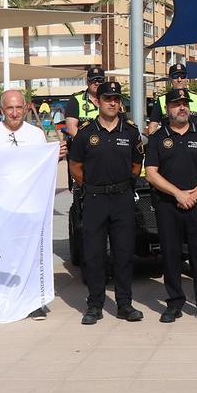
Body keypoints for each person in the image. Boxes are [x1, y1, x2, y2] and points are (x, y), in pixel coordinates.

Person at [0, 90, 67, 320]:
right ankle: (7, 298)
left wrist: (54, 156)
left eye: (19, 108)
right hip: (2, 207)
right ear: (1, 110)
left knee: (33, 255)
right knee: (5, 255)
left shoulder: (36, 135)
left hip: (31, 206)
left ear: (26, 108)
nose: (15, 113)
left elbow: (41, 166)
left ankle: (34, 301)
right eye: (10, 108)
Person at [67, 80, 144, 325]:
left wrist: (126, 183)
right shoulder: (86, 133)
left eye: (116, 99)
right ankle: (95, 305)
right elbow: (75, 166)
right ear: (97, 102)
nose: (112, 103)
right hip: (95, 198)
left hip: (122, 198)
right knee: (94, 254)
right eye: (107, 99)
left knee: (123, 253)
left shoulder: (130, 131)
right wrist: (89, 187)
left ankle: (124, 304)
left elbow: (136, 163)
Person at [145, 88, 197, 324]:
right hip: (168, 205)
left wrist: (195, 193)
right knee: (171, 255)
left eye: (185, 103)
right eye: (176, 104)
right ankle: (175, 302)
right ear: (167, 109)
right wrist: (177, 193)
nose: (182, 107)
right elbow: (151, 173)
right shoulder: (157, 138)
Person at [147, 63, 197, 135]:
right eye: (175, 76)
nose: (179, 79)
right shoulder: (162, 99)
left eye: (183, 76)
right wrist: (153, 143)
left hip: (191, 142)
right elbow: (153, 125)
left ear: (186, 78)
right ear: (170, 79)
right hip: (169, 143)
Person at [64, 66, 104, 139]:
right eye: (93, 80)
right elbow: (71, 128)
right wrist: (88, 144)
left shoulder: (111, 100)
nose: (97, 83)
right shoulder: (76, 100)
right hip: (83, 146)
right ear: (87, 81)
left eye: (100, 80)